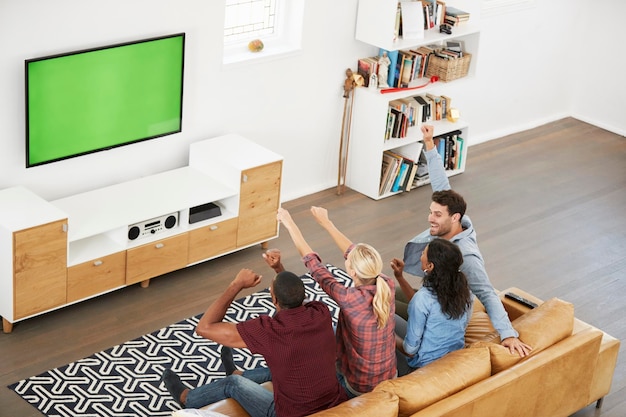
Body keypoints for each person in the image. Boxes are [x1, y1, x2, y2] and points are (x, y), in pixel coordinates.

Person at [401, 124, 532, 357]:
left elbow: (487, 293)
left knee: (391, 309)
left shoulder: (467, 256)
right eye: (431, 212)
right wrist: (430, 145)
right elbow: (442, 186)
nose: (430, 218)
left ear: (454, 218)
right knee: (391, 294)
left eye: (437, 215)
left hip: (445, 305)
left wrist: (508, 334)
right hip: (433, 290)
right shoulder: (459, 220)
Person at [160, 268, 347, 417]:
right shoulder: (321, 312)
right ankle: (240, 372)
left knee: (233, 383)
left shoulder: (268, 331)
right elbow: (297, 299)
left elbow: (204, 327)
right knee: (292, 362)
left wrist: (237, 284)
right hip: (334, 404)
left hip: (291, 414)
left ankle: (187, 398)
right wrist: (279, 269)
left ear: (274, 299)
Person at [276, 206, 397, 397]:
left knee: (315, 341)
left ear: (352, 271)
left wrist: (289, 223)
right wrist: (326, 223)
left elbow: (313, 264)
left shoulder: (348, 298)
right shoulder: (387, 283)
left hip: (359, 386)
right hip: (390, 376)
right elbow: (353, 252)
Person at [392, 238, 473, 376]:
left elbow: (410, 350)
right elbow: (423, 305)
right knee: (395, 298)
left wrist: (389, 336)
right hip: (451, 359)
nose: (420, 256)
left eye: (423, 253)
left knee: (387, 318)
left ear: (430, 266)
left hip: (421, 368)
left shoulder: (423, 298)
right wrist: (400, 276)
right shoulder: (465, 291)